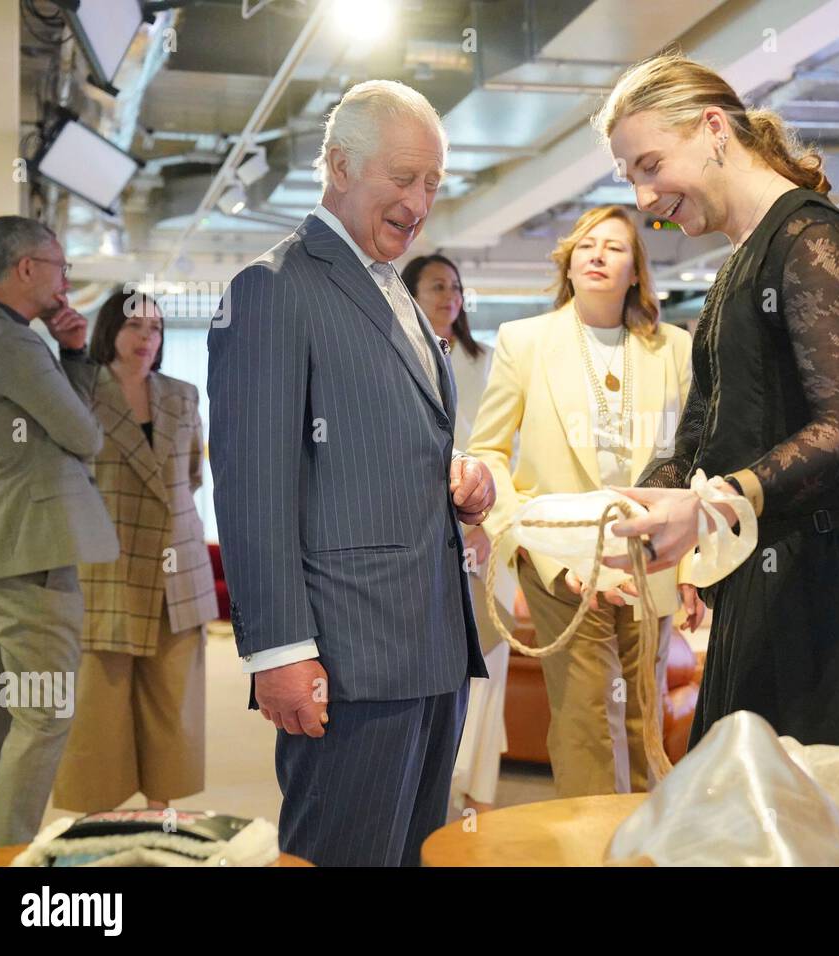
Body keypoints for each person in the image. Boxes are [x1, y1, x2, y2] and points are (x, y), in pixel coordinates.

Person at [593, 54, 839, 800]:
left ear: (714, 128)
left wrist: (715, 505)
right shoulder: (735, 267)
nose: (646, 198)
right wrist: (643, 511)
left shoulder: (814, 242)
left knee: (833, 828)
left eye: (650, 165)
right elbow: (698, 438)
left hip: (826, 596)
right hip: (756, 586)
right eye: (631, 177)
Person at [207, 79, 494, 867]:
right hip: (348, 657)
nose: (420, 199)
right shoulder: (273, 288)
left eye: (432, 181)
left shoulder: (396, 293)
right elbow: (251, 484)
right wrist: (276, 652)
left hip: (433, 647)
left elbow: (398, 442)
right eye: (403, 177)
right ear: (338, 164)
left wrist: (464, 477)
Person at [467, 204, 695, 797]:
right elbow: (487, 453)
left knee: (645, 717)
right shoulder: (525, 341)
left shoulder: (673, 347)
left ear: (637, 271)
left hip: (651, 554)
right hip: (561, 559)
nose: (598, 254)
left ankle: (647, 847)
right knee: (588, 716)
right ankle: (592, 850)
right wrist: (532, 545)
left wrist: (695, 566)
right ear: (567, 265)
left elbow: (696, 462)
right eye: (587, 245)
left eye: (615, 247)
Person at [0, 215, 117, 844]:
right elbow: (84, 436)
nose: (66, 282)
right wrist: (74, 356)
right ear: (27, 268)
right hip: (30, 551)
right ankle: (6, 856)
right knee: (44, 712)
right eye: (59, 267)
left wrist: (75, 356)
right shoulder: (12, 342)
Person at [50, 288, 217, 814]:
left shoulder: (183, 394)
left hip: (177, 568)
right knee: (101, 701)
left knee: (170, 699)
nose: (147, 338)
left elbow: (190, 477)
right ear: (109, 332)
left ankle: (159, 810)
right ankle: (99, 814)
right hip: (106, 567)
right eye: (134, 327)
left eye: (156, 328)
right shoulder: (79, 392)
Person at [401, 253, 508, 814]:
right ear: (410, 292)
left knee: (489, 665)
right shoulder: (397, 358)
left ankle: (478, 794)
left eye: (457, 287)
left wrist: (484, 521)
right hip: (423, 535)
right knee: (434, 664)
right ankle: (432, 783)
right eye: (437, 285)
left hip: (484, 533)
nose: (450, 296)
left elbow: (501, 450)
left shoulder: (486, 361)